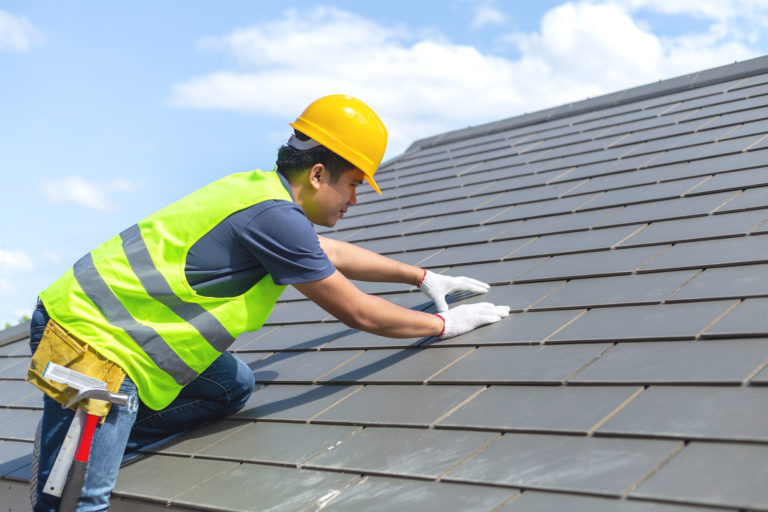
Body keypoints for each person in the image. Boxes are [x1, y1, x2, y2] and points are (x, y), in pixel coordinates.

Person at [27, 94, 510, 511]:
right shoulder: (274, 217)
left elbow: (331, 253)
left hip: (111, 333)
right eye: (354, 184)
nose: (355, 200)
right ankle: (74, 459)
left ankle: (87, 445)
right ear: (319, 174)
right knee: (76, 502)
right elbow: (358, 312)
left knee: (231, 386)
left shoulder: (262, 194)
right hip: (91, 346)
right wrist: (445, 327)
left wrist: (422, 277)